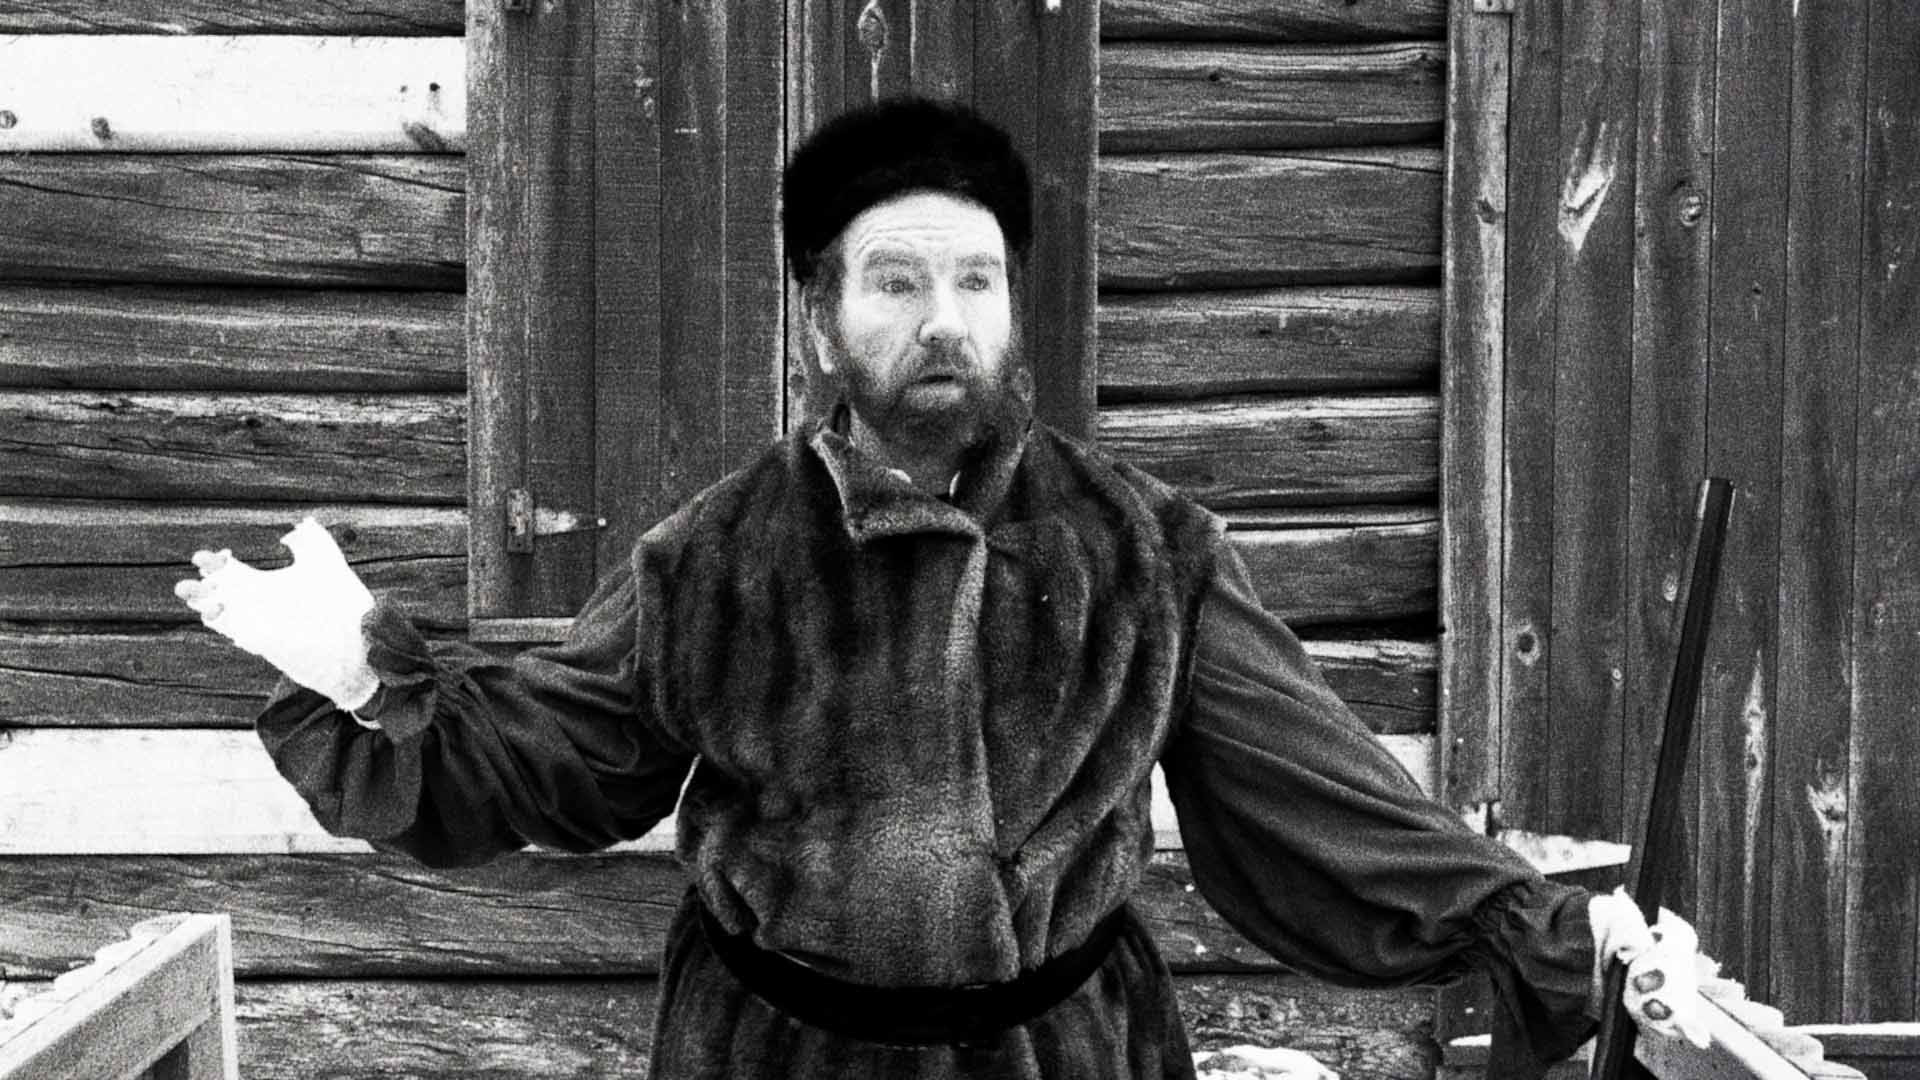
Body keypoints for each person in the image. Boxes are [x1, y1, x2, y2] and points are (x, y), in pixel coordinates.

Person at [176, 98, 1705, 1079]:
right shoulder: (714, 556)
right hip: (774, 1055)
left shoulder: (1144, 549)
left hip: (1067, 1053)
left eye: (975, 281)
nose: (945, 322)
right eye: (898, 282)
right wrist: (372, 677)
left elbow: (1322, 797)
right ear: (821, 317)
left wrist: (1556, 934)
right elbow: (566, 758)